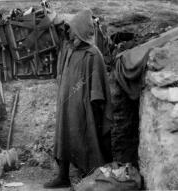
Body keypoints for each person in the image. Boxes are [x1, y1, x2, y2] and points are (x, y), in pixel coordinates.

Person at [44, 9, 113, 188]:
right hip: (67, 106)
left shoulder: (93, 54)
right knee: (63, 138)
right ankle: (63, 176)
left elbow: (98, 86)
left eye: (73, 30)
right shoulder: (70, 50)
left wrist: (95, 107)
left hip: (84, 108)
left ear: (81, 31)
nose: (69, 33)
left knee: (87, 140)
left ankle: (91, 179)